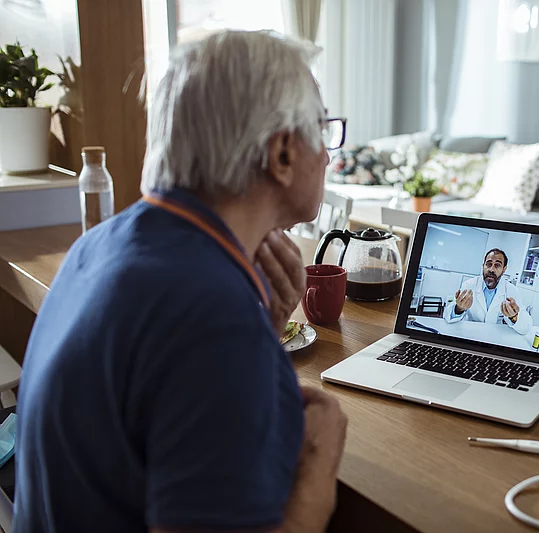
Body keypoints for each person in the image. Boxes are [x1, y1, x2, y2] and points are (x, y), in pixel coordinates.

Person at [13, 31, 348, 533]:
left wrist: (261, 328)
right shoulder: (212, 320)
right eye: (321, 130)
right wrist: (318, 474)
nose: (327, 155)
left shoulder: (99, 246)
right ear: (280, 154)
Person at [443, 248, 532, 335]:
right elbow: (447, 316)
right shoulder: (468, 285)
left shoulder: (511, 290)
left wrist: (514, 317)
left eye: (497, 265)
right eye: (488, 264)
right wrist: (459, 308)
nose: (491, 269)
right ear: (483, 266)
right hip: (470, 334)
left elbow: (526, 327)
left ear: (504, 269)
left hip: (494, 337)